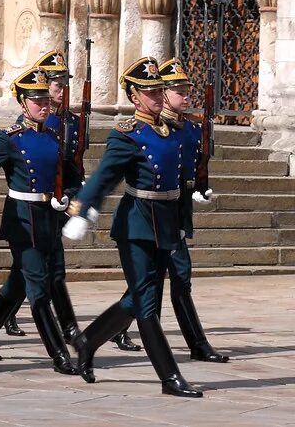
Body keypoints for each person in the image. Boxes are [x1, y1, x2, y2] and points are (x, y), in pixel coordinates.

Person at [63, 56, 203, 398]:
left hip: (165, 222)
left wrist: (185, 216)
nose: (157, 98)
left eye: (159, 91)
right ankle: (170, 377)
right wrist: (81, 209)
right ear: (134, 97)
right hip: (137, 223)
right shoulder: (128, 135)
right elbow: (104, 176)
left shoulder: (170, 131)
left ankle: (87, 341)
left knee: (139, 296)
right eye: (149, 93)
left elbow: (181, 178)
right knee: (146, 304)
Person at [0, 66, 82, 377]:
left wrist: (68, 196)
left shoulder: (55, 136)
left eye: (46, 100)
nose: (44, 106)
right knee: (38, 287)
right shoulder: (9, 138)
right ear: (23, 103)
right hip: (22, 221)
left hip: (49, 219)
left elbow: (72, 176)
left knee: (19, 284)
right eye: (36, 100)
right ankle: (59, 354)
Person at [154, 58, 228, 363]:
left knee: (176, 278)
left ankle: (195, 344)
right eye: (180, 92)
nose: (186, 97)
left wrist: (200, 186)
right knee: (160, 278)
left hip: (180, 211)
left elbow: (194, 167)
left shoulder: (192, 129)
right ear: (165, 93)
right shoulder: (156, 129)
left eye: (188, 91)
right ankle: (186, 341)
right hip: (157, 211)